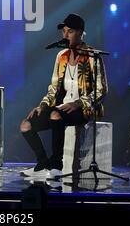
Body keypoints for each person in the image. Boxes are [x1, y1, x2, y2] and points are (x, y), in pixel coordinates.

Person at [20, 13, 108, 179]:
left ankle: (56, 166)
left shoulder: (92, 57)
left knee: (55, 115)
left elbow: (101, 89)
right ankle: (42, 164)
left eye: (70, 31)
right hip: (60, 108)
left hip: (83, 110)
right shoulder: (61, 56)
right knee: (26, 125)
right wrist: (43, 105)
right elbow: (54, 87)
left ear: (80, 33)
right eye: (64, 31)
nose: (65, 35)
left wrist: (78, 103)